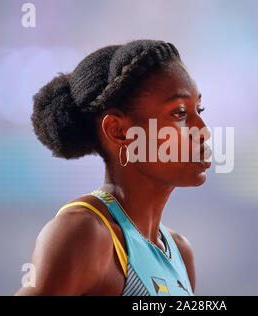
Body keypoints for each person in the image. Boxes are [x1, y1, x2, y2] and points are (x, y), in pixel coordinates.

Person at [15, 39, 211, 296]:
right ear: (118, 131)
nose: (203, 131)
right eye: (180, 114)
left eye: (199, 109)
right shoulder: (83, 234)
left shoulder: (180, 252)